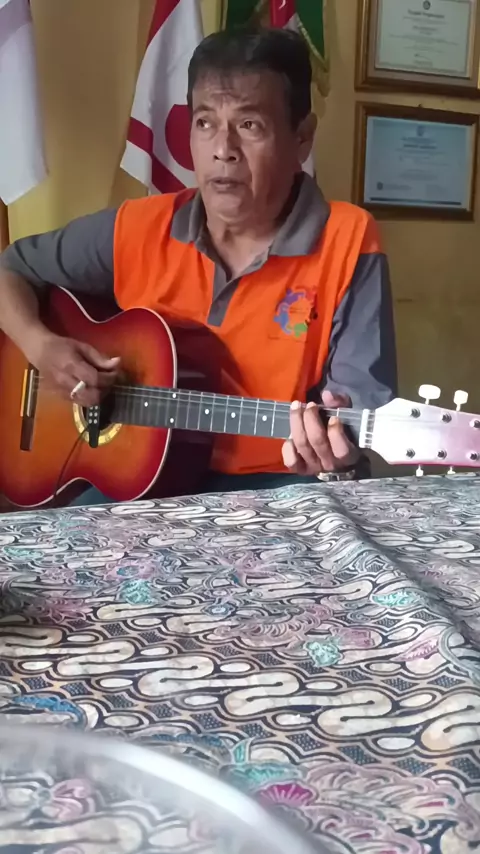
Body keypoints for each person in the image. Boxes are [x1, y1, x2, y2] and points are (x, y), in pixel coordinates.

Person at [0, 27, 397, 504]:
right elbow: (10, 269)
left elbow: (360, 409)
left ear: (302, 138)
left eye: (249, 125)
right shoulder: (140, 225)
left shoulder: (348, 238)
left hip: (279, 485)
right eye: (205, 122)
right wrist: (40, 346)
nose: (222, 149)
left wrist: (335, 454)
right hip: (140, 481)